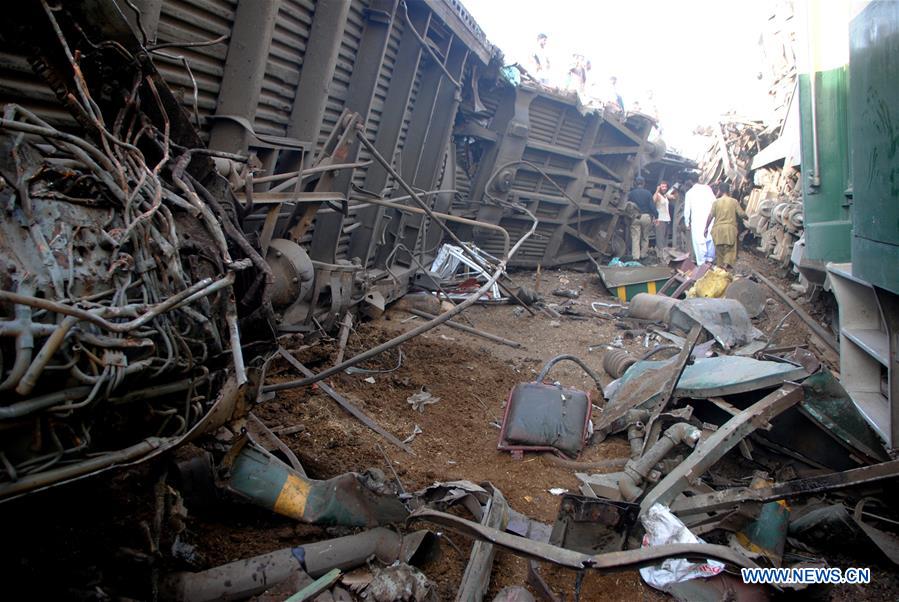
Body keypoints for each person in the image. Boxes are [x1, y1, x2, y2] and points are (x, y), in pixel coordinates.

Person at [704, 181, 747, 268]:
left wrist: (706, 228)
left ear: (719, 190)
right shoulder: (734, 201)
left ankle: (720, 268)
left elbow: (710, 216)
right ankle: (726, 267)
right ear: (729, 191)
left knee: (719, 252)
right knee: (730, 250)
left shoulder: (716, 202)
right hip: (730, 230)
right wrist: (748, 217)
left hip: (717, 230)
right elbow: (741, 214)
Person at [683, 177, 716, 264]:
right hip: (710, 219)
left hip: (697, 220)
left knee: (699, 242)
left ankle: (701, 264)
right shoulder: (708, 189)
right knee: (710, 239)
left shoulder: (690, 193)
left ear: (690, 181)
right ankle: (709, 261)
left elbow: (687, 210)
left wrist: (687, 223)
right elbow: (715, 203)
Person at [626, 176, 657, 260]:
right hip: (646, 217)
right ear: (643, 183)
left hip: (635, 217)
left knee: (635, 237)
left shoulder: (631, 193)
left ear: (635, 183)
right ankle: (643, 255)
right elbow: (652, 206)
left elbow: (628, 205)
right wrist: (656, 216)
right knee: (645, 236)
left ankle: (636, 256)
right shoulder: (648, 193)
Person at [653, 180, 671, 249]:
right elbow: (653, 200)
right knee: (660, 240)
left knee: (665, 240)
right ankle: (660, 256)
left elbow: (674, 196)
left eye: (665, 187)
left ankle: (665, 255)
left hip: (667, 220)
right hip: (660, 220)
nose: (664, 188)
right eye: (662, 186)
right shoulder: (657, 195)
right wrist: (657, 190)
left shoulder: (665, 196)